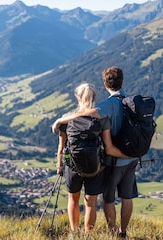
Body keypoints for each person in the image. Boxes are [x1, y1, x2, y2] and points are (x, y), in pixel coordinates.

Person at [53, 66, 138, 238]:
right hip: (96, 167)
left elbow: (61, 148)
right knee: (90, 203)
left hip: (73, 166)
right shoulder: (102, 119)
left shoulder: (68, 120)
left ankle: (74, 233)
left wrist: (60, 165)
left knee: (73, 199)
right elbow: (108, 146)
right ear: (94, 97)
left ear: (78, 97)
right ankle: (88, 234)